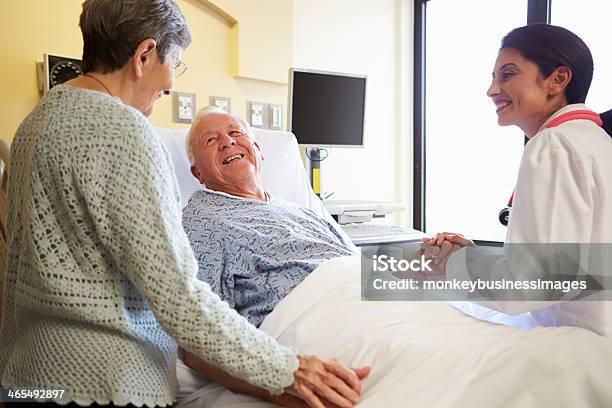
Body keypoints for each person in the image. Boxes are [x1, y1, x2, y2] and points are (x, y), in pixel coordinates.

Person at [0, 1, 368, 408]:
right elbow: (177, 297)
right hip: (102, 384)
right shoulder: (124, 133)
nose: (171, 84)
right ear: (144, 56)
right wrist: (288, 370)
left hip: (27, 379)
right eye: (174, 63)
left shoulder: (35, 122)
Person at [419, 24, 612, 335]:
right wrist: (474, 256)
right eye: (493, 78)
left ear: (557, 79)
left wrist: (451, 263)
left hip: (578, 348)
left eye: (507, 75)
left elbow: (530, 286)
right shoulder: (595, 142)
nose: (492, 89)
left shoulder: (553, 145)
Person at [183, 107, 358, 328]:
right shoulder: (201, 220)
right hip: (319, 313)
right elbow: (200, 328)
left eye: (236, 133)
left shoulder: (300, 211)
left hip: (364, 290)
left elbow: (355, 263)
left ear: (257, 149)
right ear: (197, 172)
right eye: (210, 140)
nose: (227, 142)